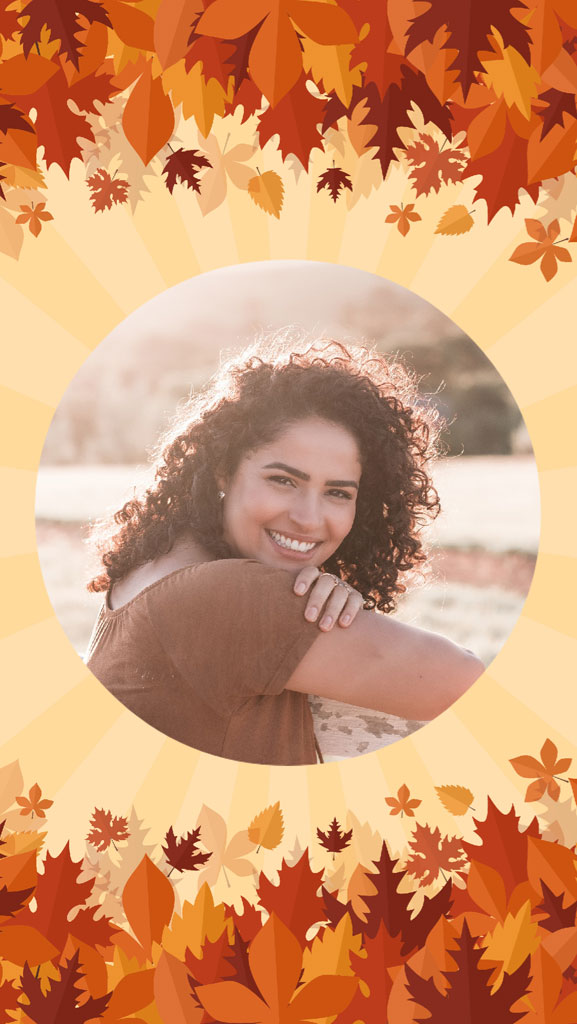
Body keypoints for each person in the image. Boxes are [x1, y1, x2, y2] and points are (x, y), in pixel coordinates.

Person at [86, 339, 484, 764]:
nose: (309, 519)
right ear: (225, 469)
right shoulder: (232, 597)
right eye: (283, 481)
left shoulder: (154, 567)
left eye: (337, 492)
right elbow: (471, 683)